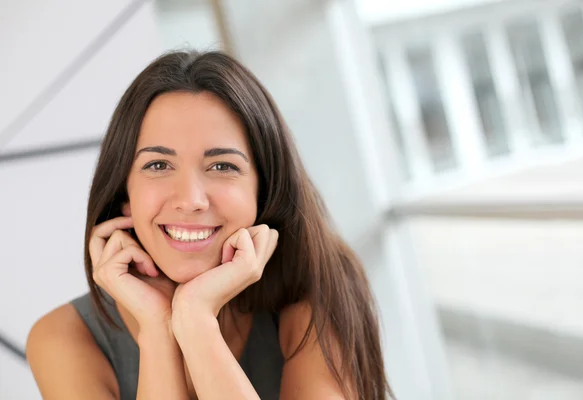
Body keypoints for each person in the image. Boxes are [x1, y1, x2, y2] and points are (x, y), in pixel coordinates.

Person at [26, 50, 393, 400]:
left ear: (263, 191)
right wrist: (159, 330)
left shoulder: (318, 288)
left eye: (222, 166)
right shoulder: (64, 337)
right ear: (125, 195)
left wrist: (196, 322)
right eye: (158, 165)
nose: (191, 199)